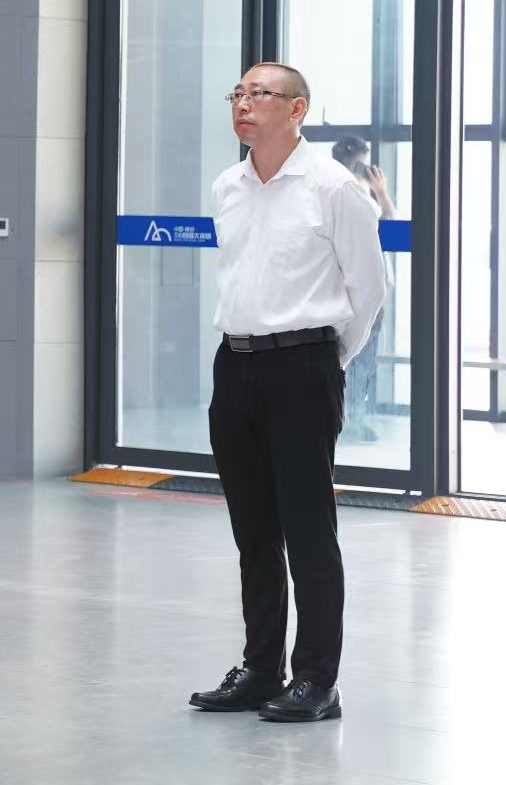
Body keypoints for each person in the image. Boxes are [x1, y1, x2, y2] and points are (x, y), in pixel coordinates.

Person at [190, 64, 384, 723]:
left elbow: (369, 288)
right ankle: (260, 668)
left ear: (297, 109)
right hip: (235, 365)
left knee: (308, 530)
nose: (243, 104)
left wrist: (327, 361)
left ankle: (317, 680)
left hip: (303, 366)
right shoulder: (228, 186)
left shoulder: (334, 188)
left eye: (259, 94)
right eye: (238, 94)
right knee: (253, 531)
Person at [329, 135, 394, 443]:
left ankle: (350, 417)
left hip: (356, 292)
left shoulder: (342, 190)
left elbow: (392, 225)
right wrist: (378, 193)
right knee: (357, 359)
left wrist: (380, 193)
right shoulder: (349, 194)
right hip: (355, 294)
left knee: (359, 360)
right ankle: (350, 419)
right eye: (364, 164)